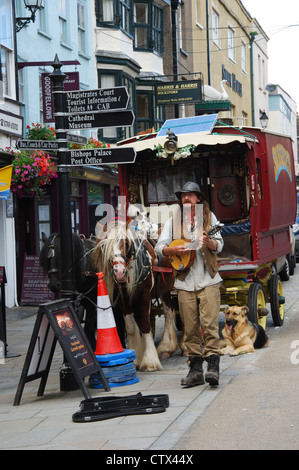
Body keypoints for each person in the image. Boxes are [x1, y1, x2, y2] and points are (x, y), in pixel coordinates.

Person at [155, 181, 224, 387]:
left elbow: (219, 244)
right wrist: (174, 251)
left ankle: (213, 369)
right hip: (184, 281)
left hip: (208, 279)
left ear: (198, 198)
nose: (186, 198)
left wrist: (208, 243)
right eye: (184, 195)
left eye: (190, 195)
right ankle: (195, 371)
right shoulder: (173, 221)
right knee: (190, 328)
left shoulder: (209, 217)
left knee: (210, 326)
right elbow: (160, 247)